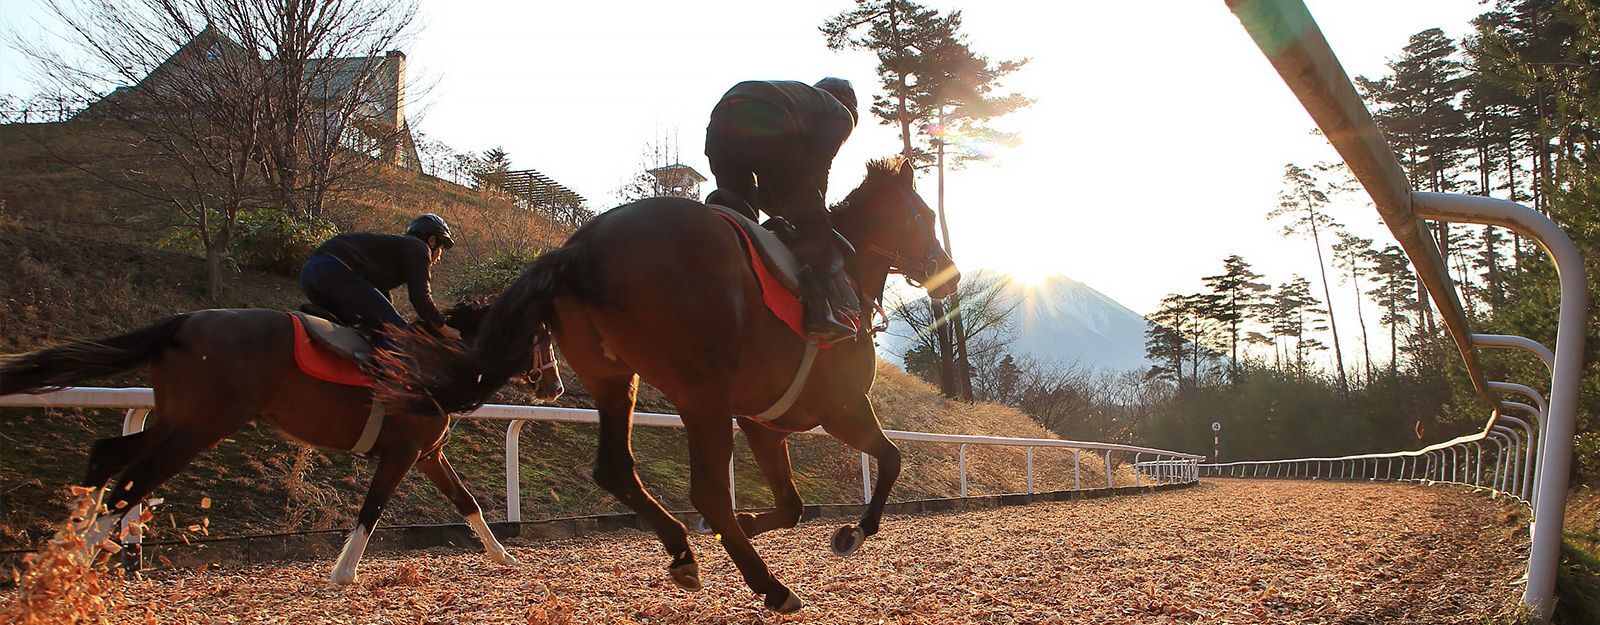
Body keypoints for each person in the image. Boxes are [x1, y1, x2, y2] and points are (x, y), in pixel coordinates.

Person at [703, 77, 860, 343]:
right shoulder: (841, 115)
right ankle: (819, 314)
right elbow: (818, 169)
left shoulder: (801, 100)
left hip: (721, 123)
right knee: (817, 226)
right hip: (765, 120)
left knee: (742, 218)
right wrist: (816, 215)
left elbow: (772, 190)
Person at [299, 214, 460, 352]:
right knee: (396, 334)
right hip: (334, 269)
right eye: (441, 250)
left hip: (310, 273)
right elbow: (421, 298)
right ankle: (390, 385)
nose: (439, 257)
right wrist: (444, 329)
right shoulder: (419, 248)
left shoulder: (389, 255)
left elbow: (380, 300)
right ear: (432, 241)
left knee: (365, 328)